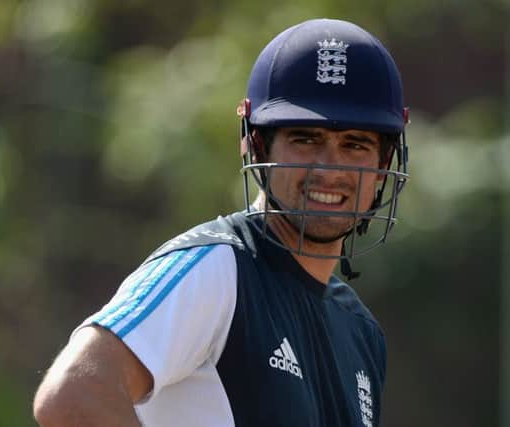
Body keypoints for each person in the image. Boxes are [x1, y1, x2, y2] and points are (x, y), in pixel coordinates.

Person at [33, 18, 409, 427]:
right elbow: (74, 393)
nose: (329, 167)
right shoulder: (216, 268)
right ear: (256, 144)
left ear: (382, 166)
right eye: (305, 139)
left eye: (355, 145)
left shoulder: (360, 330)